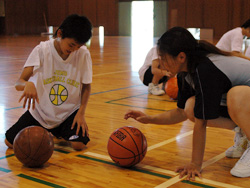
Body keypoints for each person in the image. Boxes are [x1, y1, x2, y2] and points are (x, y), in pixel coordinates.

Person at [124, 27, 250, 180]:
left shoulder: (205, 69)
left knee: (236, 96)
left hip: (244, 97)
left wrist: (195, 164)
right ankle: (244, 133)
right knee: (190, 107)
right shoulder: (185, 74)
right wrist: (149, 119)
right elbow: (181, 112)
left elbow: (201, 123)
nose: (161, 63)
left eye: (164, 58)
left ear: (181, 57)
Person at [5, 14, 93, 151]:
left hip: (68, 113)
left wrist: (81, 113)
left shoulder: (83, 54)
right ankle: (48, 132)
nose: (74, 50)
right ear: (60, 33)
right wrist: (27, 84)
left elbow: (86, 86)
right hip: (40, 113)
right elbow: (19, 83)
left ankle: (58, 132)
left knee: (79, 144)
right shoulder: (42, 50)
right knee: (10, 142)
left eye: (78, 46)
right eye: (71, 45)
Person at [216, 19, 250, 158]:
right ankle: (243, 133)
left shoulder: (238, 35)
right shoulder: (237, 34)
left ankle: (244, 133)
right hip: (222, 69)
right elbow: (236, 53)